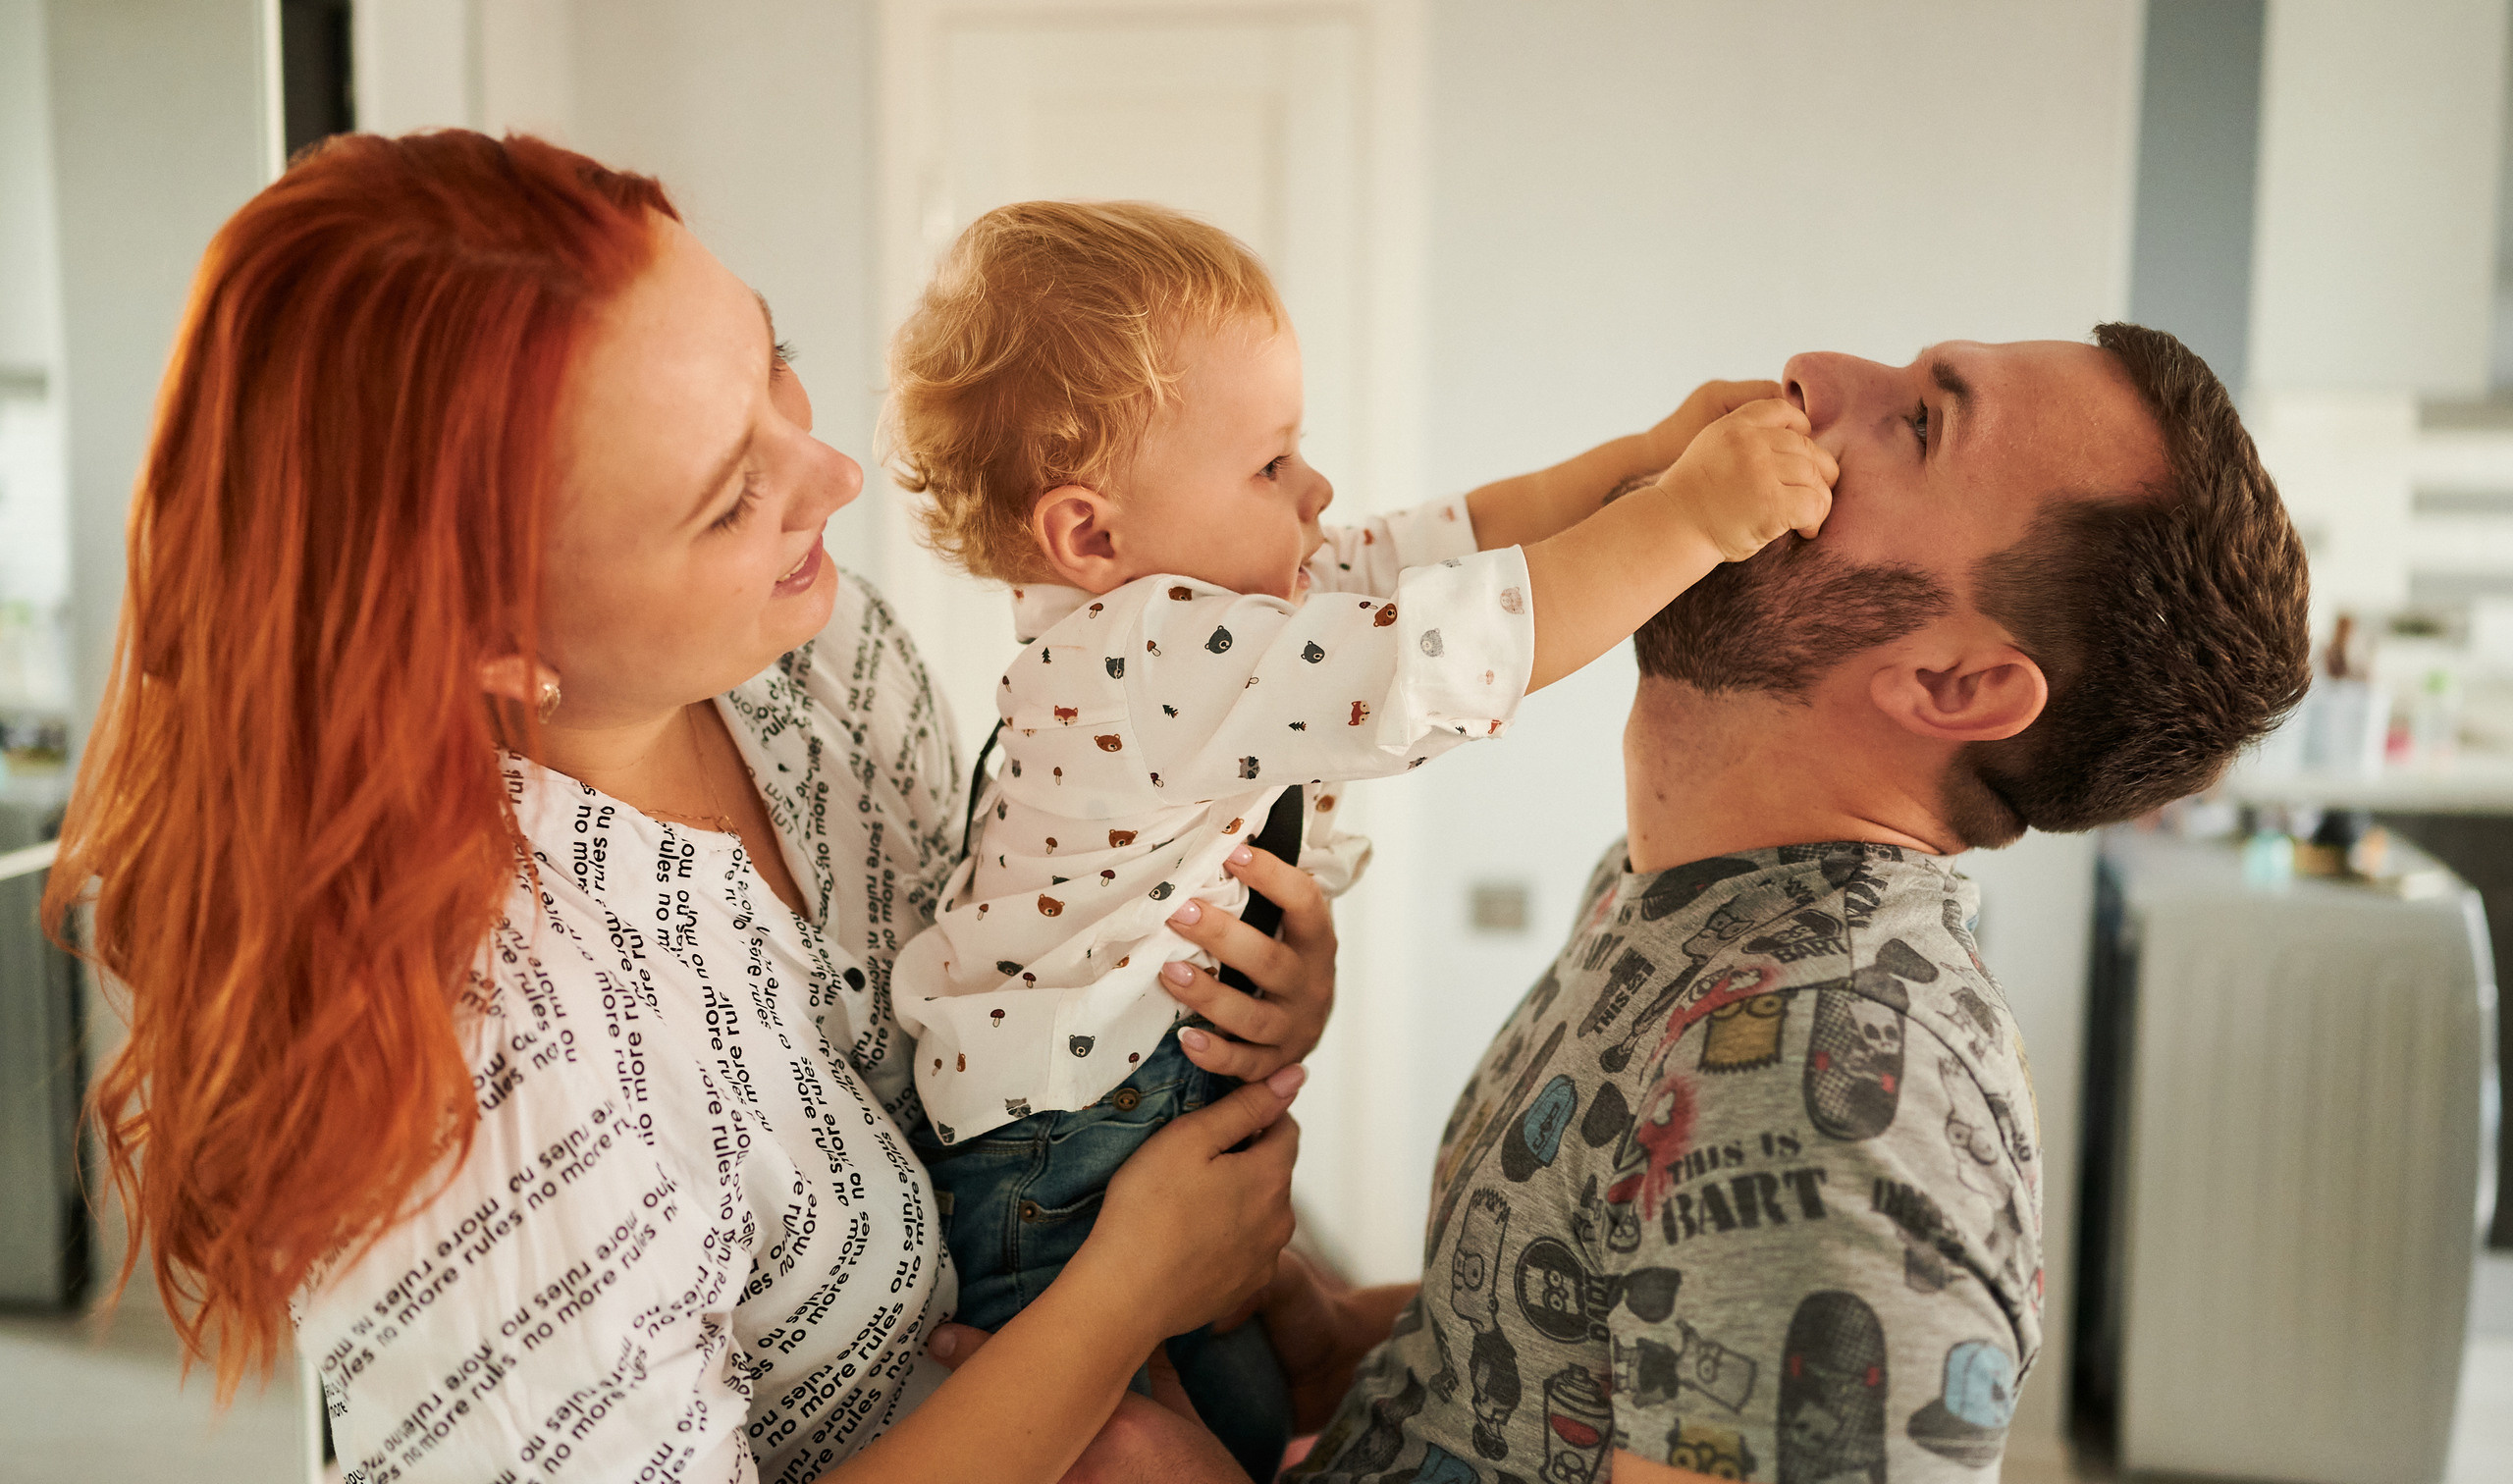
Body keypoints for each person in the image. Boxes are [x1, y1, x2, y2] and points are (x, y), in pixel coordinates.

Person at [43, 132, 1338, 1484]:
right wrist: (1122, 1300)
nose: (834, 475)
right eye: (729, 500)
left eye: (775, 361)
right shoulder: (489, 1094)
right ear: (497, 643)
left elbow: (1007, 957)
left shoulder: (819, 660)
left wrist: (1207, 988)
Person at [879, 200, 1837, 1475]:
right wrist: (1694, 521)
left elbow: (1457, 539)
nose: (1317, 490)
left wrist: (1648, 461)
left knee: (1244, 1419)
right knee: (1144, 1450)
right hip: (1061, 1167)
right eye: (1271, 464)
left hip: (1114, 1120)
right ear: (1092, 534)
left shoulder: (1215, 605)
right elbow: (1446, 653)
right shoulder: (1144, 653)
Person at [1266, 326, 2312, 1484]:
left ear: (1952, 685)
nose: (1812, 371)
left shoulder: (1837, 1094)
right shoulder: (1683, 897)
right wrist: (1333, 1338)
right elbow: (1571, 1340)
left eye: (1921, 424)